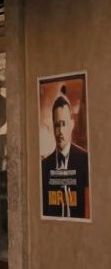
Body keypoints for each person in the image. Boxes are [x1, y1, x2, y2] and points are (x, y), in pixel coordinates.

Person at [41, 86, 91, 219]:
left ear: (72, 124)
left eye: (63, 124)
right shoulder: (45, 166)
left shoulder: (85, 160)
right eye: (57, 125)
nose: (60, 131)